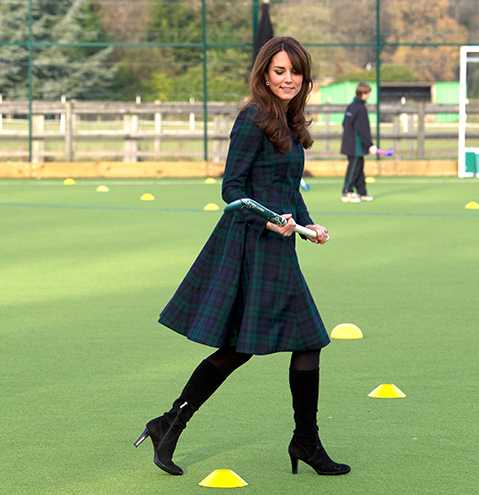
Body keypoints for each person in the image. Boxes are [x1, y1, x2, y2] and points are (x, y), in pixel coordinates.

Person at [133, 36, 350, 478]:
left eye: (295, 71)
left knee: (251, 347)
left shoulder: (289, 122)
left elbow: (288, 192)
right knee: (278, 344)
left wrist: (310, 228)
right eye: (279, 71)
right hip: (251, 244)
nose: (288, 79)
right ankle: (300, 441)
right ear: (264, 74)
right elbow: (232, 189)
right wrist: (270, 222)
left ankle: (170, 424)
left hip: (279, 247)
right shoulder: (253, 118)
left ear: (305, 76)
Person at [340, 82, 377, 203]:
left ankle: (362, 192)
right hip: (355, 145)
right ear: (363, 93)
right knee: (354, 167)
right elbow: (363, 129)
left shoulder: (352, 106)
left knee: (359, 167)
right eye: (368, 93)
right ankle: (347, 191)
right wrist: (370, 144)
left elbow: (344, 123)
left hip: (352, 144)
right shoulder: (360, 108)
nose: (369, 95)